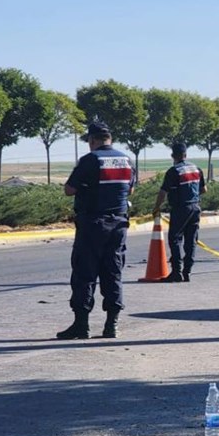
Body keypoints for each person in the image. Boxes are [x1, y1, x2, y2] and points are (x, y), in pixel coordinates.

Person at [57, 119, 136, 339]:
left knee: (85, 273)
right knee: (113, 272)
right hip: (118, 225)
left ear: (92, 140)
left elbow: (69, 190)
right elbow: (130, 191)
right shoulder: (127, 160)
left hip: (92, 224)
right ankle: (112, 324)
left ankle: (81, 325)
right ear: (110, 139)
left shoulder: (90, 160)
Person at [153, 142, 206, 282]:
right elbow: (204, 190)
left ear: (172, 156)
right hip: (195, 208)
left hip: (180, 209)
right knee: (191, 240)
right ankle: (187, 271)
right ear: (185, 155)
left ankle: (176, 271)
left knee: (175, 239)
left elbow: (163, 192)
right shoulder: (196, 169)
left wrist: (157, 207)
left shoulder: (173, 171)